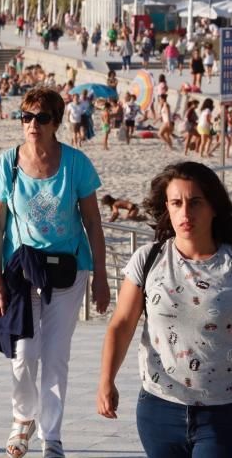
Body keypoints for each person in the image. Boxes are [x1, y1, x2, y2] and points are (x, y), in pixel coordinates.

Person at [0, 87, 110, 458]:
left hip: (68, 271)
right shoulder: (7, 164)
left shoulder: (75, 164)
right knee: (24, 352)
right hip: (21, 272)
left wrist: (101, 275)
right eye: (26, 117)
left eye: (41, 118)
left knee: (56, 354)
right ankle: (22, 419)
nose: (32, 125)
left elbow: (92, 219)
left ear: (56, 122)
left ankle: (51, 436)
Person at [97, 161, 232, 456]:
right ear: (166, 208)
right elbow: (121, 324)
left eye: (195, 202)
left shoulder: (229, 264)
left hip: (221, 413)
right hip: (159, 409)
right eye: (176, 203)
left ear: (213, 207)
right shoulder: (149, 259)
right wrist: (107, 380)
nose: (185, 213)